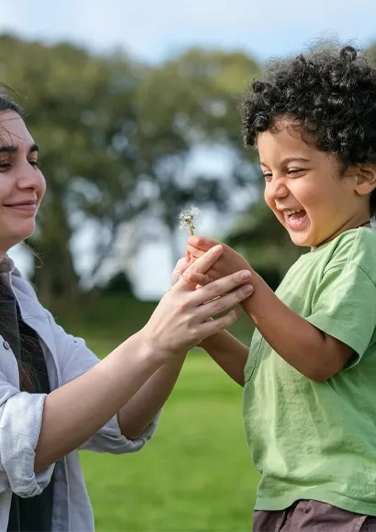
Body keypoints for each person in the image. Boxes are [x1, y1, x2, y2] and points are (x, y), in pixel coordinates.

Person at [0, 85, 254, 532]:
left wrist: (177, 332)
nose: (32, 180)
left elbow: (120, 417)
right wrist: (153, 338)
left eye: (32, 160)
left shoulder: (10, 291)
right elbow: (5, 445)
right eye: (1, 163)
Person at [178, 45, 376, 531]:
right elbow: (270, 378)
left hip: (342, 496)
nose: (275, 189)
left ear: (362, 175)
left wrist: (249, 286)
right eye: (268, 174)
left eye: (294, 170)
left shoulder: (360, 253)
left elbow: (320, 358)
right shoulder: (310, 265)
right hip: (288, 492)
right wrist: (207, 333)